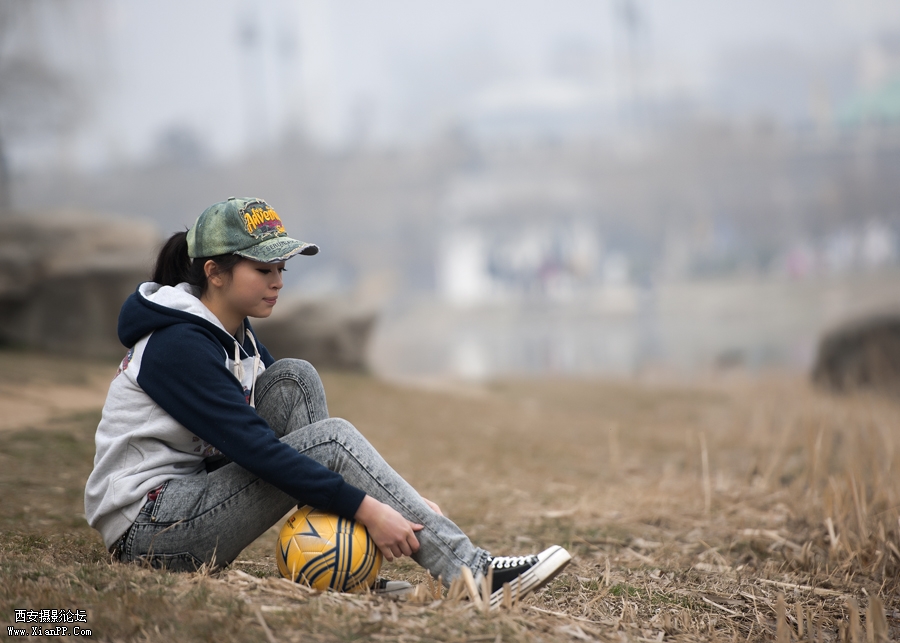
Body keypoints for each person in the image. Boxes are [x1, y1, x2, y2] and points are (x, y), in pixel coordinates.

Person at [84, 197, 570, 608]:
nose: (278, 281)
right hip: (151, 531)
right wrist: (369, 508)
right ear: (215, 273)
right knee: (331, 442)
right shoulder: (178, 346)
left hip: (189, 499)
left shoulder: (232, 333)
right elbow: (259, 450)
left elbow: (285, 428)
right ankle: (475, 574)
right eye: (263, 269)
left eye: (281, 268)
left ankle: (339, 568)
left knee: (294, 379)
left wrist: (399, 499)